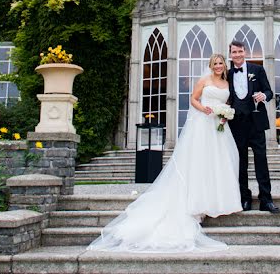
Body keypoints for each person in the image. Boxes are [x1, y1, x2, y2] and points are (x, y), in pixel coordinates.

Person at [88, 53, 241, 253]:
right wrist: (204, 109)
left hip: (218, 126)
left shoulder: (227, 83)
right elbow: (193, 99)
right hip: (204, 124)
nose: (219, 66)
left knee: (219, 163)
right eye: (216, 63)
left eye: (221, 63)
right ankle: (197, 202)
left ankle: (219, 201)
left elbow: (228, 104)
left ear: (224, 66)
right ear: (211, 65)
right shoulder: (205, 80)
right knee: (200, 162)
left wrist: (224, 114)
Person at [226, 39, 280, 213]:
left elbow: (269, 92)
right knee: (240, 164)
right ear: (230, 54)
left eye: (240, 51)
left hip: (256, 123)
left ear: (245, 52)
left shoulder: (257, 70)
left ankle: (266, 199)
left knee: (261, 161)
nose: (237, 55)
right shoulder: (227, 74)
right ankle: (245, 198)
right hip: (236, 124)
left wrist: (262, 96)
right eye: (234, 52)